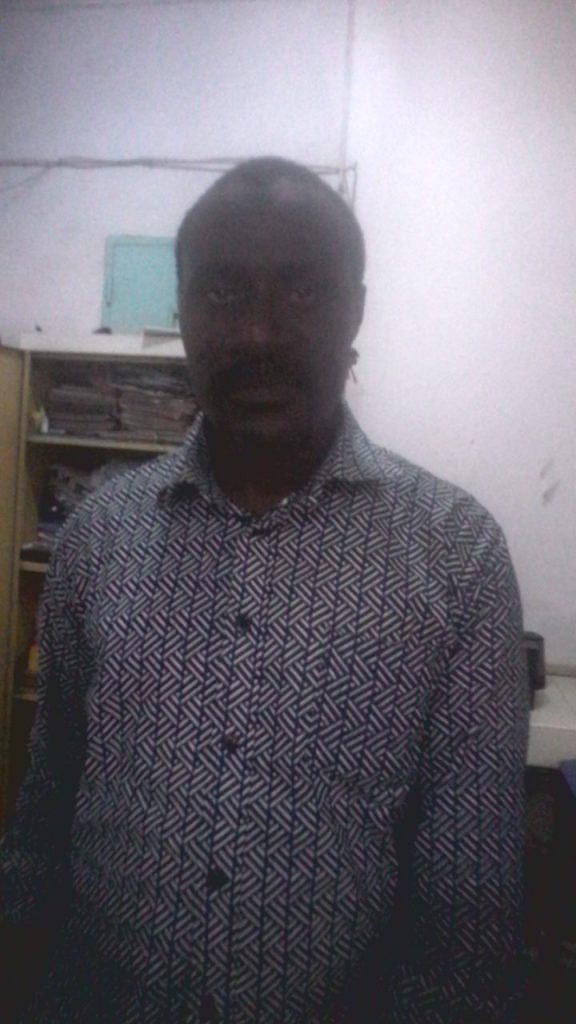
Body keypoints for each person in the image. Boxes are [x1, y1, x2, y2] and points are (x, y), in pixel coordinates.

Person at [0, 157, 529, 1023]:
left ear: (357, 311)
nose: (258, 333)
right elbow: (47, 801)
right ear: (182, 312)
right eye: (222, 292)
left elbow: (466, 904)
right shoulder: (99, 536)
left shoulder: (455, 554)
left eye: (304, 291)